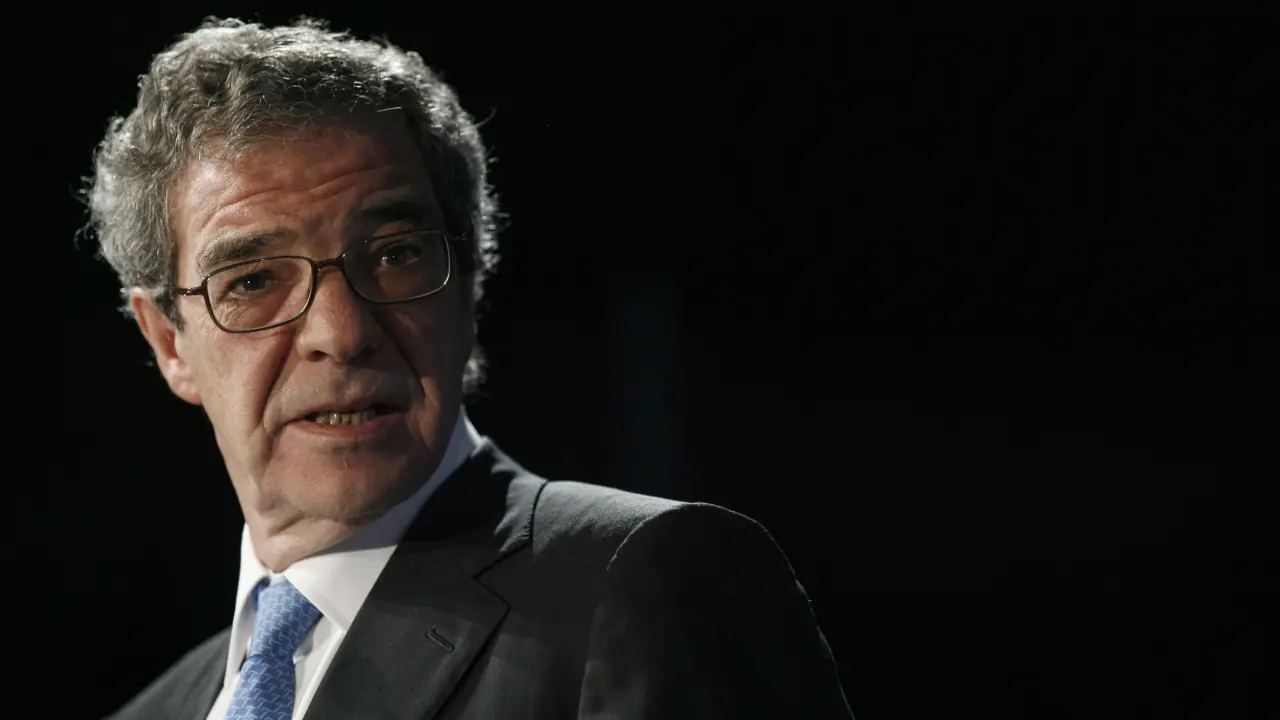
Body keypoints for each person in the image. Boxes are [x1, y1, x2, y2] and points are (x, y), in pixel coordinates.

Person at [84, 17, 853, 720]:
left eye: (395, 255)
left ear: (469, 288)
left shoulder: (646, 583)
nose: (341, 333)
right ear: (170, 343)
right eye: (252, 280)